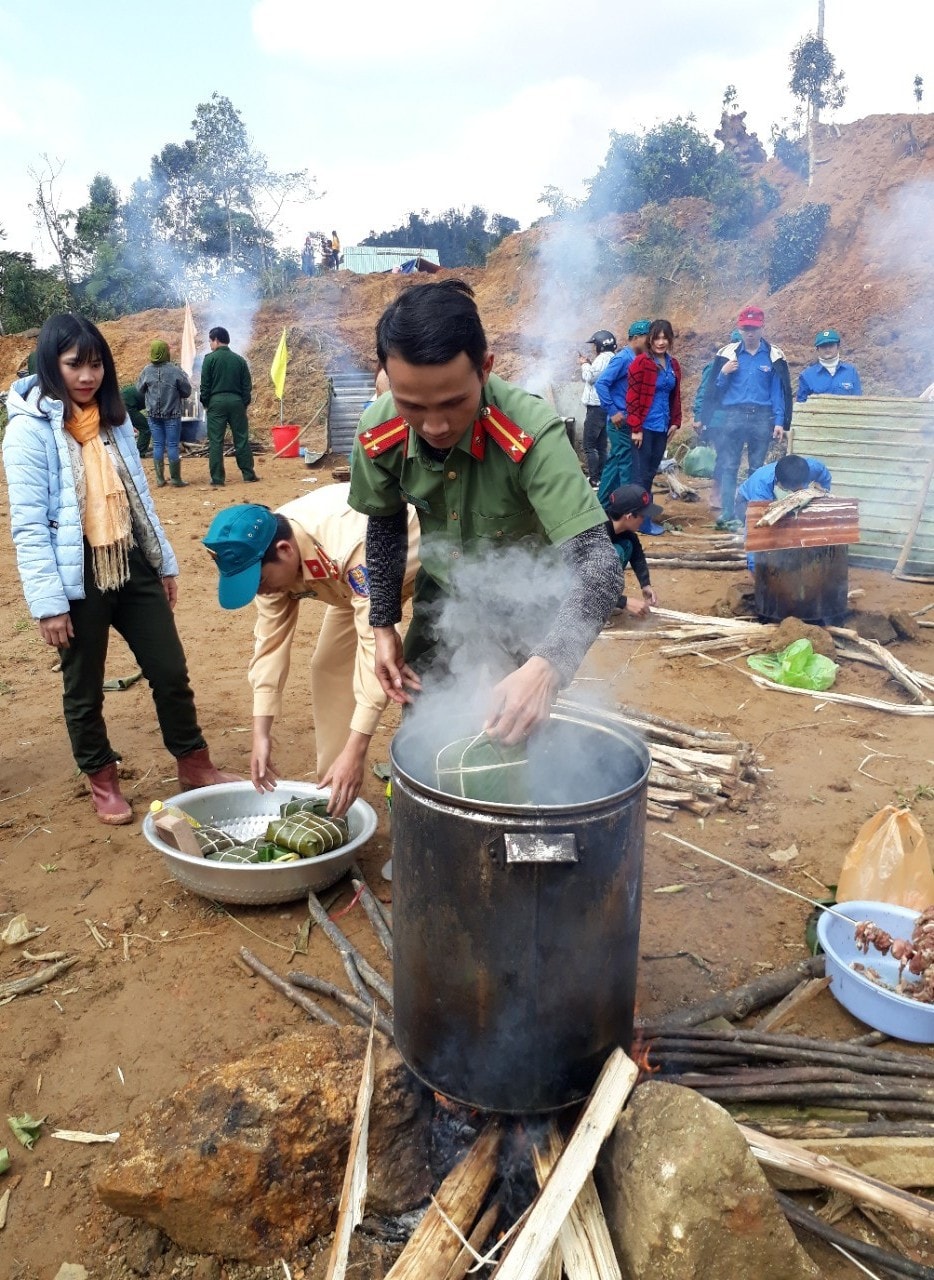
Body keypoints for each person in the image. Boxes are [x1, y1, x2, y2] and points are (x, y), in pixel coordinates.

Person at [348, 279, 619, 745]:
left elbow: (599, 564)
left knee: (514, 732)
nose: (434, 425)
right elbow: (386, 521)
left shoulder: (531, 434)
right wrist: (383, 622)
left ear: (485, 369)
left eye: (454, 403)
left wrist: (548, 665)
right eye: (412, 405)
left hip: (527, 601)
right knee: (423, 718)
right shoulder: (379, 432)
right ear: (389, 383)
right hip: (442, 589)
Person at [2, 314, 237, 826]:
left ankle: (193, 763)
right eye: (73, 365)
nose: (86, 377)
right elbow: (28, 525)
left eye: (95, 365)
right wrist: (48, 605)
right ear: (50, 364)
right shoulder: (28, 431)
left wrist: (163, 563)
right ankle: (101, 777)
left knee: (170, 670)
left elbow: (140, 498)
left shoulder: (115, 420)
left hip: (131, 560)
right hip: (76, 572)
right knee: (83, 686)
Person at [203, 486, 420, 817]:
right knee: (328, 667)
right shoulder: (263, 554)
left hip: (420, 564)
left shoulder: (348, 543)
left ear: (285, 550)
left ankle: (374, 771)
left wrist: (358, 749)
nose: (260, 590)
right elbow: (269, 644)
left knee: (424, 671)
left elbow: (374, 646)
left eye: (259, 581)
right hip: (351, 590)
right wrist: (261, 733)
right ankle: (335, 788)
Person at [700, 305, 792, 531]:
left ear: (762, 328)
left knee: (757, 468)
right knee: (730, 466)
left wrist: (779, 421)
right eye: (745, 328)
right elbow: (715, 389)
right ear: (740, 329)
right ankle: (728, 513)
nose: (750, 332)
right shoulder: (727, 354)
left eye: (754, 328)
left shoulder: (773, 355)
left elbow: (778, 391)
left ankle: (753, 513)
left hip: (762, 417)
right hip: (734, 416)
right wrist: (723, 373)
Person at [625, 319, 681, 536]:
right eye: (656, 337)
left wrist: (676, 420)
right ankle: (639, 522)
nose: (661, 342)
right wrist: (636, 427)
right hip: (645, 427)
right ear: (650, 339)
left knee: (650, 473)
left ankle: (641, 517)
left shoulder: (673, 364)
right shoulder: (641, 363)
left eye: (665, 338)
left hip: (662, 427)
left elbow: (674, 396)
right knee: (641, 475)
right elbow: (632, 398)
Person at [736, 453, 832, 570]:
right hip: (745, 502)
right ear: (779, 483)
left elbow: (824, 476)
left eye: (799, 488)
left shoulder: (811, 467)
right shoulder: (761, 488)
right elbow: (756, 533)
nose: (796, 492)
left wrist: (823, 492)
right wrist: (754, 569)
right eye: (790, 489)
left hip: (781, 502)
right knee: (771, 534)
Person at [595, 320, 651, 506]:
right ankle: (628, 506)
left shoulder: (639, 359)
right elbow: (601, 383)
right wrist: (613, 411)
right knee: (626, 463)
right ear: (635, 338)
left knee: (615, 461)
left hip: (631, 419)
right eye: (647, 337)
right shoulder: (623, 358)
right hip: (620, 421)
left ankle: (602, 503)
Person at [199, 326, 258, 487]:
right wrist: (243, 403)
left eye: (210, 341)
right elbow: (247, 386)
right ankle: (248, 474)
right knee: (241, 438)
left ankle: (218, 479)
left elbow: (205, 386)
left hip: (216, 403)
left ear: (216, 340)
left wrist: (206, 403)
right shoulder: (240, 360)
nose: (210, 344)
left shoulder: (209, 359)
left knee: (216, 441)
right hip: (237, 402)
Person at [693, 329, 740, 509]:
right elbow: (704, 392)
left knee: (731, 457)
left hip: (737, 419)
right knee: (725, 456)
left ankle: (725, 494)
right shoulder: (715, 366)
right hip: (718, 419)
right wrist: (699, 417)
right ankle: (716, 495)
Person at [136, 340, 192, 489]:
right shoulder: (175, 370)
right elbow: (187, 391)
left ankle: (160, 479)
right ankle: (176, 479)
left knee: (157, 444)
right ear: (166, 352)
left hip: (153, 415)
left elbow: (139, 390)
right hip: (172, 414)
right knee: (172, 445)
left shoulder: (146, 371)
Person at [604, 485, 660, 619]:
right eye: (642, 515)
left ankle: (606, 602)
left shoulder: (621, 528)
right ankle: (594, 612)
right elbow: (585, 583)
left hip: (588, 582)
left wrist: (645, 584)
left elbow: (636, 552)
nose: (644, 519)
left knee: (628, 545)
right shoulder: (598, 534)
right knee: (613, 554)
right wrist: (624, 602)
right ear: (629, 516)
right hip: (565, 589)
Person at [578, 330, 616, 487]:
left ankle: (594, 478)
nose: (594, 347)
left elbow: (590, 377)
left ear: (600, 345)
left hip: (596, 407)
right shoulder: (612, 358)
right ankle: (601, 477)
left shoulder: (602, 359)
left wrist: (584, 364)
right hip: (604, 407)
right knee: (601, 445)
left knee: (589, 445)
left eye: (595, 344)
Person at [796, 329, 862, 402]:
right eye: (823, 346)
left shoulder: (850, 372)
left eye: (831, 345)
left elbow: (858, 401)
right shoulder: (807, 375)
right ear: (817, 349)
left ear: (838, 347)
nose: (827, 349)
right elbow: (801, 406)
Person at [121, 383, 151, 457]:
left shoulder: (153, 387)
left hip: (123, 402)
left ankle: (134, 450)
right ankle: (140, 452)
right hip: (126, 405)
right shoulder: (159, 393)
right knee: (145, 428)